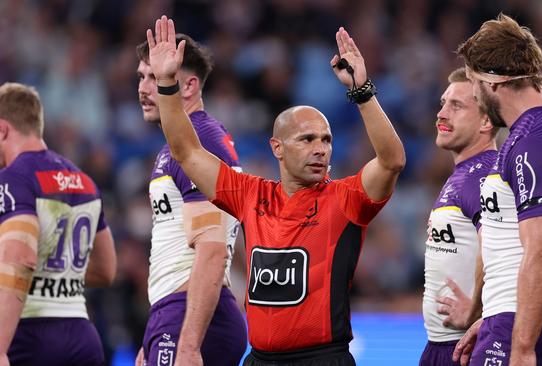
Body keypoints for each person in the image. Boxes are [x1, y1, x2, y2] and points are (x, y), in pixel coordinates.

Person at [145, 15, 405, 366]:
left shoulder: (345, 199)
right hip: (260, 359)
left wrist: (362, 92)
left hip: (322, 358)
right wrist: (165, 83)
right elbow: (187, 151)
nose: (320, 149)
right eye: (307, 139)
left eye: (326, 140)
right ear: (277, 148)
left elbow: (391, 161)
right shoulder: (251, 195)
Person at [452, 14, 542, 366]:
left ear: (494, 81)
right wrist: (492, 315)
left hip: (524, 329)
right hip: (519, 318)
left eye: (472, 81)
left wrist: (522, 345)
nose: (474, 94)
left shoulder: (533, 142)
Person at [134, 33, 247, 366]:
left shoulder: (200, 145)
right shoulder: (180, 146)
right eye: (142, 76)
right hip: (175, 314)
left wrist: (187, 344)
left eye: (155, 77)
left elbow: (211, 251)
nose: (142, 88)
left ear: (189, 86)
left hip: (191, 317)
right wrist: (154, 333)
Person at [0, 82, 116, 366]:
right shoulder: (85, 181)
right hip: (82, 335)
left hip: (28, 334)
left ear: (3, 130)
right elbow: (106, 269)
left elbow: (20, 258)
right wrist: (57, 272)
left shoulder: (13, 180)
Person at [420, 68, 498, 366]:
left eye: (457, 106)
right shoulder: (463, 175)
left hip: (464, 347)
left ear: (486, 121)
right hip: (442, 343)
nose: (442, 114)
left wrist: (478, 306)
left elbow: (502, 248)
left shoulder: (483, 175)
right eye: (443, 103)